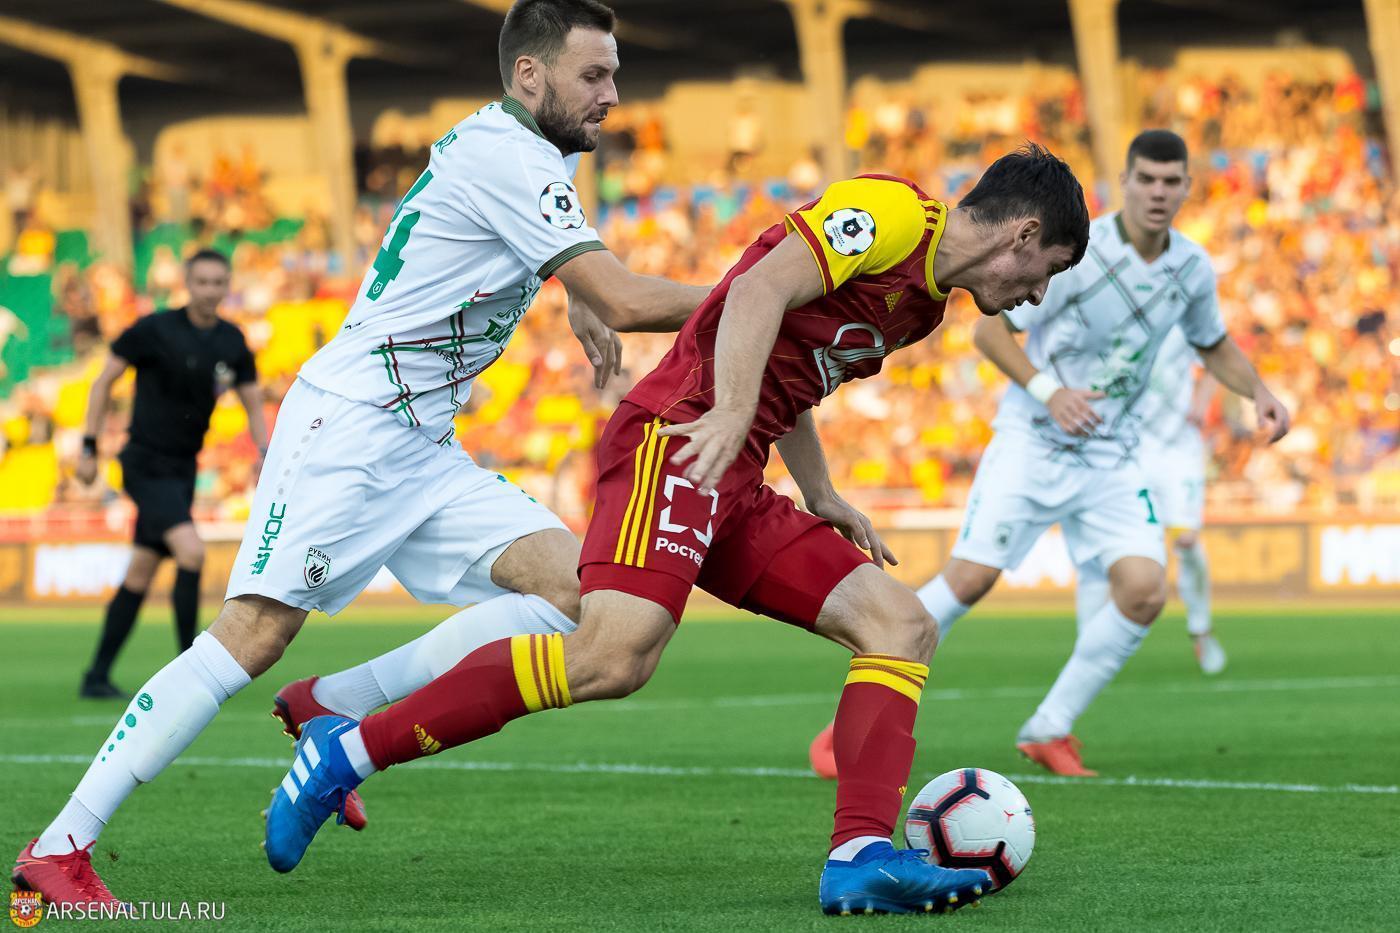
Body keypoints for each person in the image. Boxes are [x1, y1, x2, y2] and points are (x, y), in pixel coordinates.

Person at [262, 144, 1090, 916]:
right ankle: (347, 752)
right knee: (612, 656)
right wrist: (730, 411)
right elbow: (757, 290)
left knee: (899, 624)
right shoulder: (893, 215)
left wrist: (820, 490)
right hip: (679, 437)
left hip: (733, 467)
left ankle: (860, 855)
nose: (1037, 294)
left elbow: (789, 364)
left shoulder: (926, 308)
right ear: (1023, 234)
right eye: (1048, 270)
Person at [12, 0, 712, 907]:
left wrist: (576, 291)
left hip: (420, 441)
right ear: (529, 74)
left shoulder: (529, 149)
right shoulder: (508, 154)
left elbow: (567, 263)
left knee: (575, 593)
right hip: (350, 426)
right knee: (254, 632)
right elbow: (623, 296)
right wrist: (764, 291)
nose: (613, 94)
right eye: (595, 75)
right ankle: (60, 845)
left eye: (614, 74)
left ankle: (334, 702)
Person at [810, 130, 1287, 782]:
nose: (1158, 192)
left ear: (1186, 188)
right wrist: (1050, 391)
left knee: (1145, 591)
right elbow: (989, 332)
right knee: (970, 579)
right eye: (1147, 179)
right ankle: (845, 727)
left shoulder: (1192, 269)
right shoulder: (1077, 254)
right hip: (1033, 441)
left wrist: (1259, 391)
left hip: (1112, 454)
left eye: (1171, 181)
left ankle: (1050, 726)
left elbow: (1213, 342)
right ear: (1126, 181)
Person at [75, 249, 267, 699]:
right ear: (186, 283)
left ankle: (96, 676)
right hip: (144, 463)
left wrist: (264, 453)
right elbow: (102, 382)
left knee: (140, 572)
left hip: (182, 469)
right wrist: (88, 447)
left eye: (218, 282)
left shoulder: (231, 341)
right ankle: (191, 672)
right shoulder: (154, 329)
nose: (210, 291)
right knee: (192, 552)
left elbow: (253, 401)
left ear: (228, 286)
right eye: (202, 282)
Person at [1077, 326, 1224, 675]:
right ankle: (1089, 644)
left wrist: (1201, 402)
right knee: (1111, 545)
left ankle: (1200, 629)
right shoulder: (1118, 320)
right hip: (1130, 448)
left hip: (1179, 450)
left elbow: (1217, 360)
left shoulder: (1183, 318)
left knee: (1186, 541)